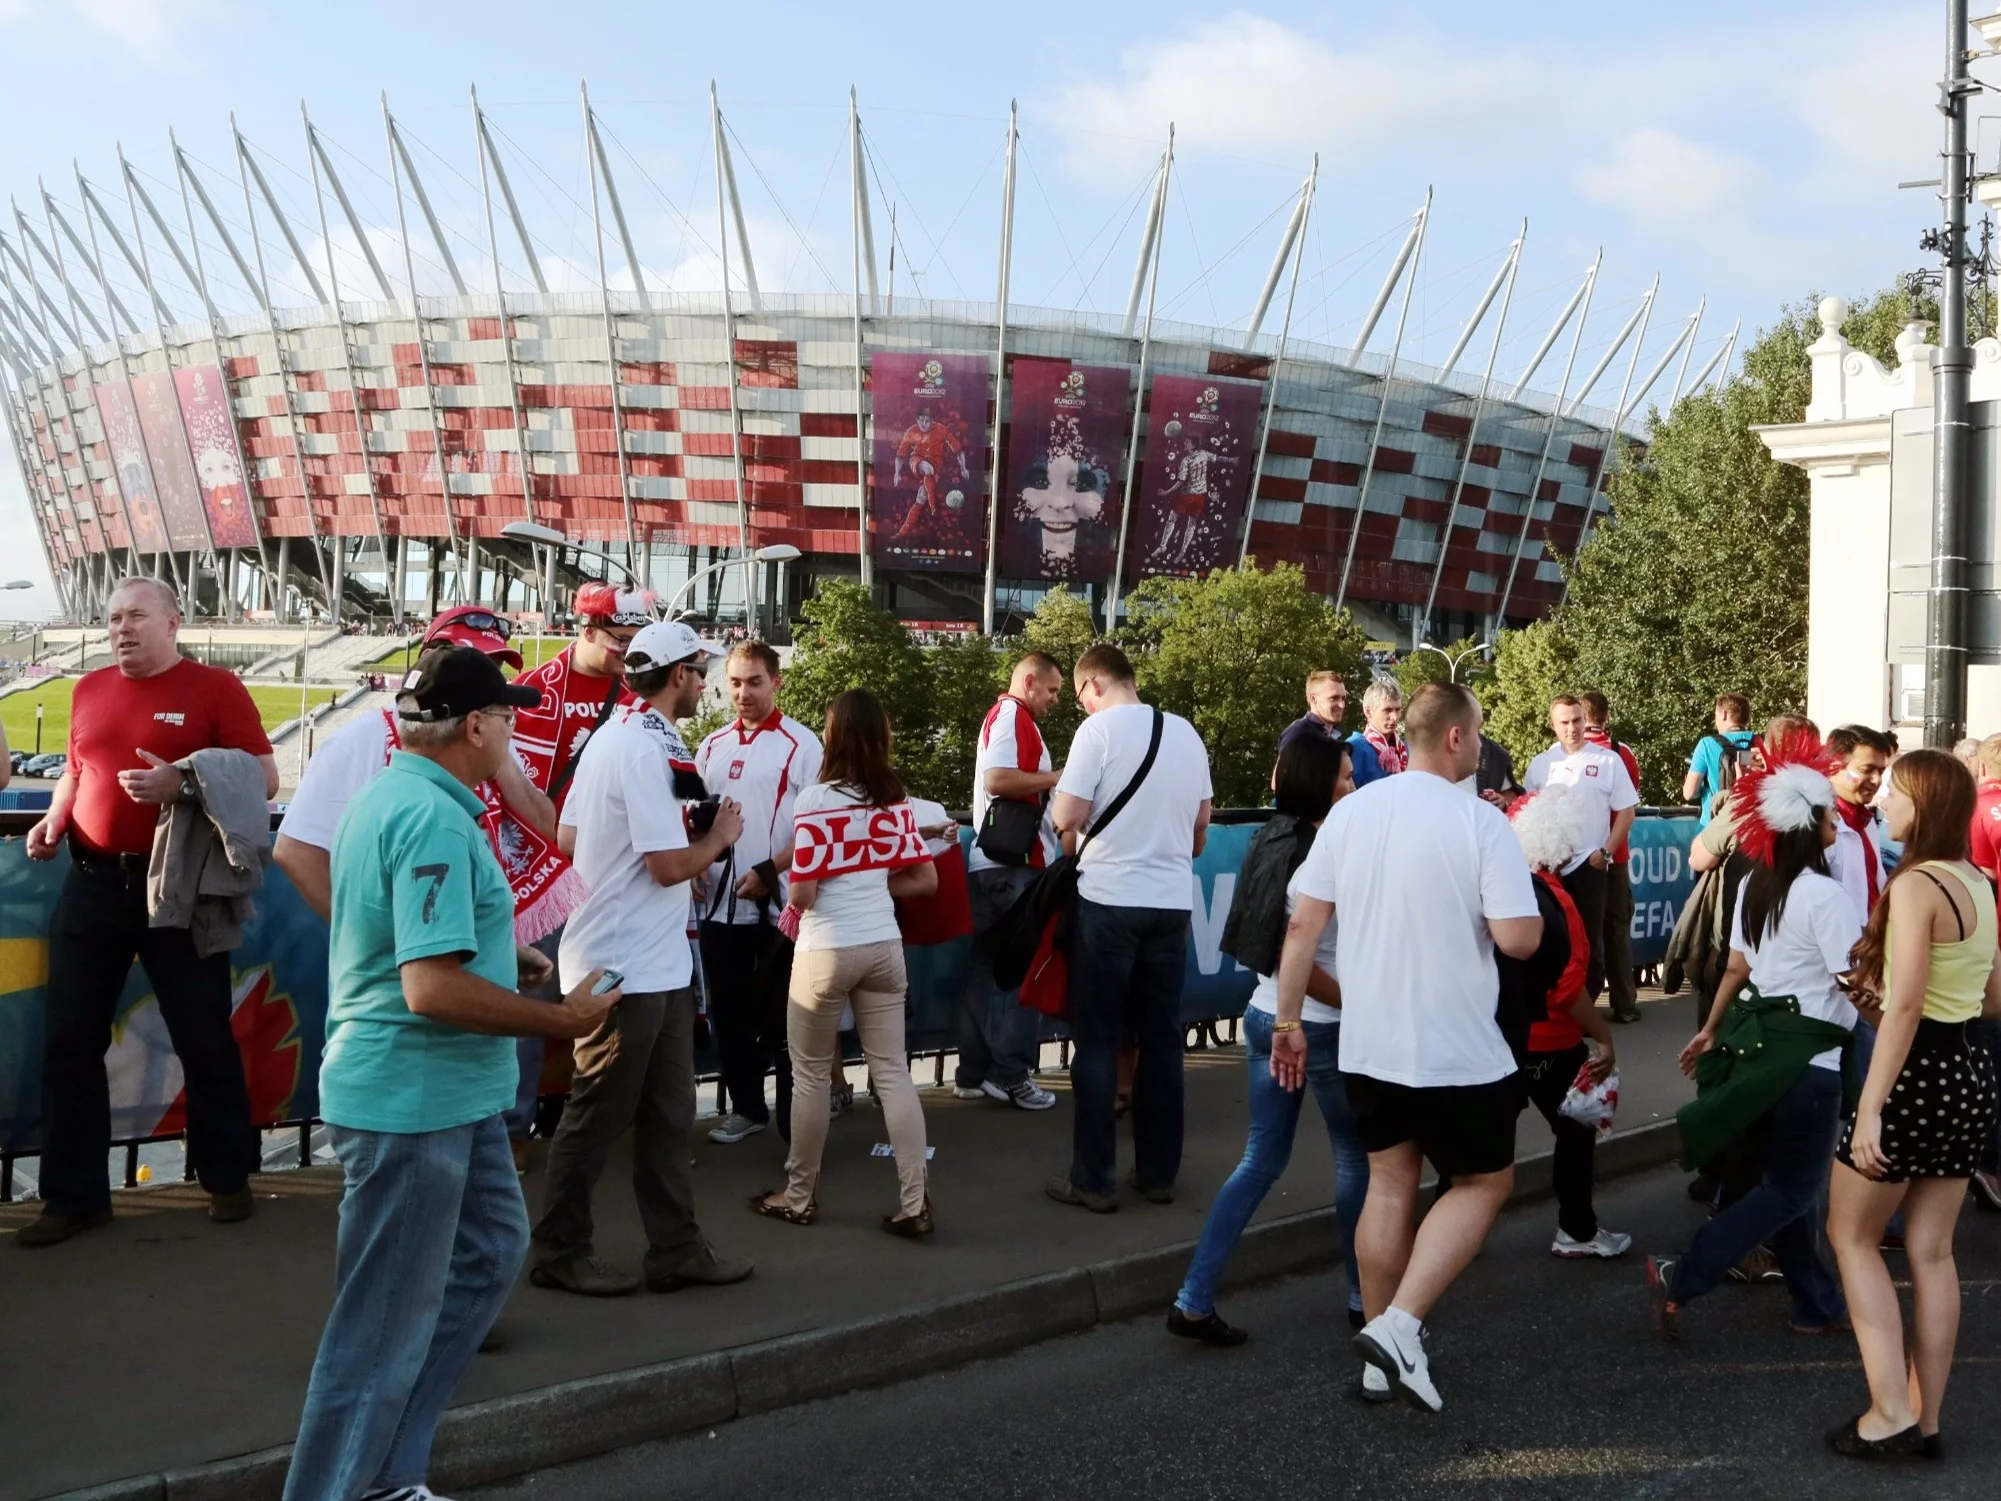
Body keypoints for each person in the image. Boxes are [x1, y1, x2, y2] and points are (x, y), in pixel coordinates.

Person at [281, 648, 619, 1500]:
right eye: (505, 716)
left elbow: (415, 939)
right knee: (381, 1326)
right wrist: (562, 1019)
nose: (514, 728)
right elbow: (427, 986)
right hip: (413, 1099)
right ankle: (343, 1486)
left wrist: (510, 960)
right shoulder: (429, 816)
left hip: (444, 1097)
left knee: (489, 1256)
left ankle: (390, 1474)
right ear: (476, 726)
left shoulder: (398, 796)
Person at [1272, 682, 1543, 1411]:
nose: (1482, 745)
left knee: (1389, 1185)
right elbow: (1519, 938)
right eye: (1479, 731)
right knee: (1482, 1182)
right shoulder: (1481, 822)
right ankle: (1399, 1325)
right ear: (1454, 737)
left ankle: (1376, 1351)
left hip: (1368, 1042)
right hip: (1456, 1044)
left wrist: (1286, 1021)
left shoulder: (1350, 812)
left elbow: (1299, 929)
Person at [18, 577, 279, 1248]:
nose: (120, 628)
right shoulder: (87, 688)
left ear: (172, 620)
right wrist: (52, 818)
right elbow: (77, 769)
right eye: (112, 618)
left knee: (203, 1037)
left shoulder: (216, 687)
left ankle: (227, 1179)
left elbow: (264, 775)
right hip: (91, 883)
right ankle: (74, 1198)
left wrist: (183, 781)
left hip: (178, 890)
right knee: (70, 1042)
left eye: (135, 615)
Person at [275, 613, 567, 1175]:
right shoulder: (375, 752)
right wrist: (383, 943)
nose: (491, 680)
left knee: (490, 1242)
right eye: (474, 661)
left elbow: (547, 826)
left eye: (498, 668)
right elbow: (295, 850)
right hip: (411, 1069)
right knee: (410, 1244)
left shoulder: (479, 757)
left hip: (456, 1068)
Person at [531, 621, 754, 1297]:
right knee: (597, 1114)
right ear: (680, 674)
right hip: (625, 963)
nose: (706, 678)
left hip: (642, 961)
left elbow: (569, 835)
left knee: (665, 1116)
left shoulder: (620, 736)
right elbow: (664, 867)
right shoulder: (641, 745)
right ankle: (559, 1251)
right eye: (700, 667)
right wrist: (716, 838)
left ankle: (676, 1247)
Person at [1649, 729, 1856, 1345]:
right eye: (1828, 811)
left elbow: (1738, 968)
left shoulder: (1753, 885)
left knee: (1789, 1189)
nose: (1835, 819)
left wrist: (1712, 1029)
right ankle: (1683, 1273)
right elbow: (1855, 984)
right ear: (1809, 821)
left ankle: (1815, 1303)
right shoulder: (1827, 895)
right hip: (1809, 1062)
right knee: (1792, 1190)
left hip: (1757, 1053)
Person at [1824, 749, 2000, 1459]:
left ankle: (1887, 1410)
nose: (1882, 803)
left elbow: (1900, 1010)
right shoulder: (1979, 882)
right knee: (1931, 1251)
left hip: (1914, 1075)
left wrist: (1869, 1107)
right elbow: (1990, 998)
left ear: (1919, 804)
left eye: (1893, 792)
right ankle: (1926, 1421)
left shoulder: (1914, 884)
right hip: (1968, 1072)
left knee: (1851, 1236)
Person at [1170, 733, 1368, 1346]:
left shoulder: (1267, 838)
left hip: (1264, 1017)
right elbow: (1298, 958)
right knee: (1355, 1160)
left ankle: (1193, 1299)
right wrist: (1364, 1003)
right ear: (1317, 786)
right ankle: (1368, 1299)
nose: (1354, 786)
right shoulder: (1323, 854)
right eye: (1343, 778)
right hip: (1319, 1029)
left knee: (1259, 1162)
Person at [753, 690, 938, 1234]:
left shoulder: (815, 801)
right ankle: (915, 1202)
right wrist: (875, 880)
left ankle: (799, 1196)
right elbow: (924, 880)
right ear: (882, 737)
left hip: (825, 950)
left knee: (810, 1077)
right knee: (893, 1072)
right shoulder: (895, 799)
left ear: (832, 736)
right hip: (884, 946)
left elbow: (805, 894)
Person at [1045, 645, 1213, 1213]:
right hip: (1171, 906)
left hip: (1109, 903)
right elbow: (1199, 834)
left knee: (1097, 1041)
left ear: (1092, 684)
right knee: (1162, 1042)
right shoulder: (1187, 734)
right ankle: (1158, 1173)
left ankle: (1092, 1180)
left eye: (1079, 698)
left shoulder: (1098, 734)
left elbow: (1066, 817)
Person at [502, 584, 649, 1158]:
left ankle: (604, 1127)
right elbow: (523, 799)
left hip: (612, 883)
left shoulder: (636, 693)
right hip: (543, 881)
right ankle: (512, 1134)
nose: (628, 653)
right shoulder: (537, 690)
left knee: (616, 1005)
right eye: (620, 641)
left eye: (636, 642)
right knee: (531, 1013)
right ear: (585, 630)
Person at [694, 641, 824, 1144]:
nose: (743, 693)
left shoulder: (803, 744)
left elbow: (817, 826)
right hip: (719, 904)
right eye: (735, 682)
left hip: (781, 907)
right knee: (728, 1012)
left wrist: (769, 872)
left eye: (754, 682)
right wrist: (693, 866)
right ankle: (748, 1110)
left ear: (776, 682)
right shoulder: (711, 744)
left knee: (787, 1018)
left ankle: (797, 1128)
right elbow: (694, 816)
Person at [1506, 787, 1627, 1257]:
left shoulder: (1508, 891)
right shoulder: (1556, 900)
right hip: (1552, 1042)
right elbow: (1566, 985)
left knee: (1481, 1142)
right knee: (1576, 1131)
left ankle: (1448, 1230)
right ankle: (1576, 1231)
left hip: (1504, 1041)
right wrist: (1603, 1036)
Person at [954, 652, 1064, 1111]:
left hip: (994, 863)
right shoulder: (1013, 715)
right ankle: (1012, 1075)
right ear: (1030, 681)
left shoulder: (1007, 715)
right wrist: (1063, 777)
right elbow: (999, 778)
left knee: (985, 971)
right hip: (1013, 866)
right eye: (1053, 690)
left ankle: (973, 1073)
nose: (1056, 700)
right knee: (1022, 972)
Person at [1525, 695, 1639, 1012]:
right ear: (1553, 726)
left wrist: (1605, 852)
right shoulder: (1541, 764)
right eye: (1565, 722)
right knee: (1554, 937)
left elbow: (1627, 812)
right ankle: (1555, 1008)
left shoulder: (1607, 760)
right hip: (1550, 867)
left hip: (1588, 864)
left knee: (1588, 941)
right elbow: (1527, 810)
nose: (1572, 728)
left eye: (1577, 720)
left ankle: (1586, 1009)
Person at [1580, 689, 1644, 1024]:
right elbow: (1631, 800)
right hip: (1615, 853)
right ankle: (1625, 1003)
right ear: (1607, 716)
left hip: (1580, 856)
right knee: (1617, 928)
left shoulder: (1569, 753)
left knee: (1584, 930)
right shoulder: (1621, 753)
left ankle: (1584, 1004)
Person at [1966, 731, 2001, 1213]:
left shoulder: (1973, 808)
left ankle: (1989, 1162)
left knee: (1989, 1057)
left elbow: (1980, 878)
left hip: (1989, 949)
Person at [1824, 724, 1892, 924]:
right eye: (1867, 769)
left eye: (1881, 771)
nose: (1876, 780)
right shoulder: (1815, 826)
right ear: (1834, 765)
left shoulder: (1865, 820)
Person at [1684, 694, 1755, 821]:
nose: (1715, 721)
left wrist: (1702, 787)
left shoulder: (1706, 744)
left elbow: (1689, 793)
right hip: (1750, 826)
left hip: (1714, 825)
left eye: (1715, 715)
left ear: (1724, 714)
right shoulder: (1761, 742)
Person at [1347, 679, 1405, 788]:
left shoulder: (1405, 749)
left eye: (1398, 710)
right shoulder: (1353, 749)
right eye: (1387, 710)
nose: (1395, 717)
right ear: (1368, 711)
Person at [1277, 670, 1349, 757]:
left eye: (1343, 698)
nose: (1342, 705)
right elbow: (1284, 770)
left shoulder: (1338, 737)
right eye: (1334, 698)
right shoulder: (1298, 734)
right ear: (1313, 699)